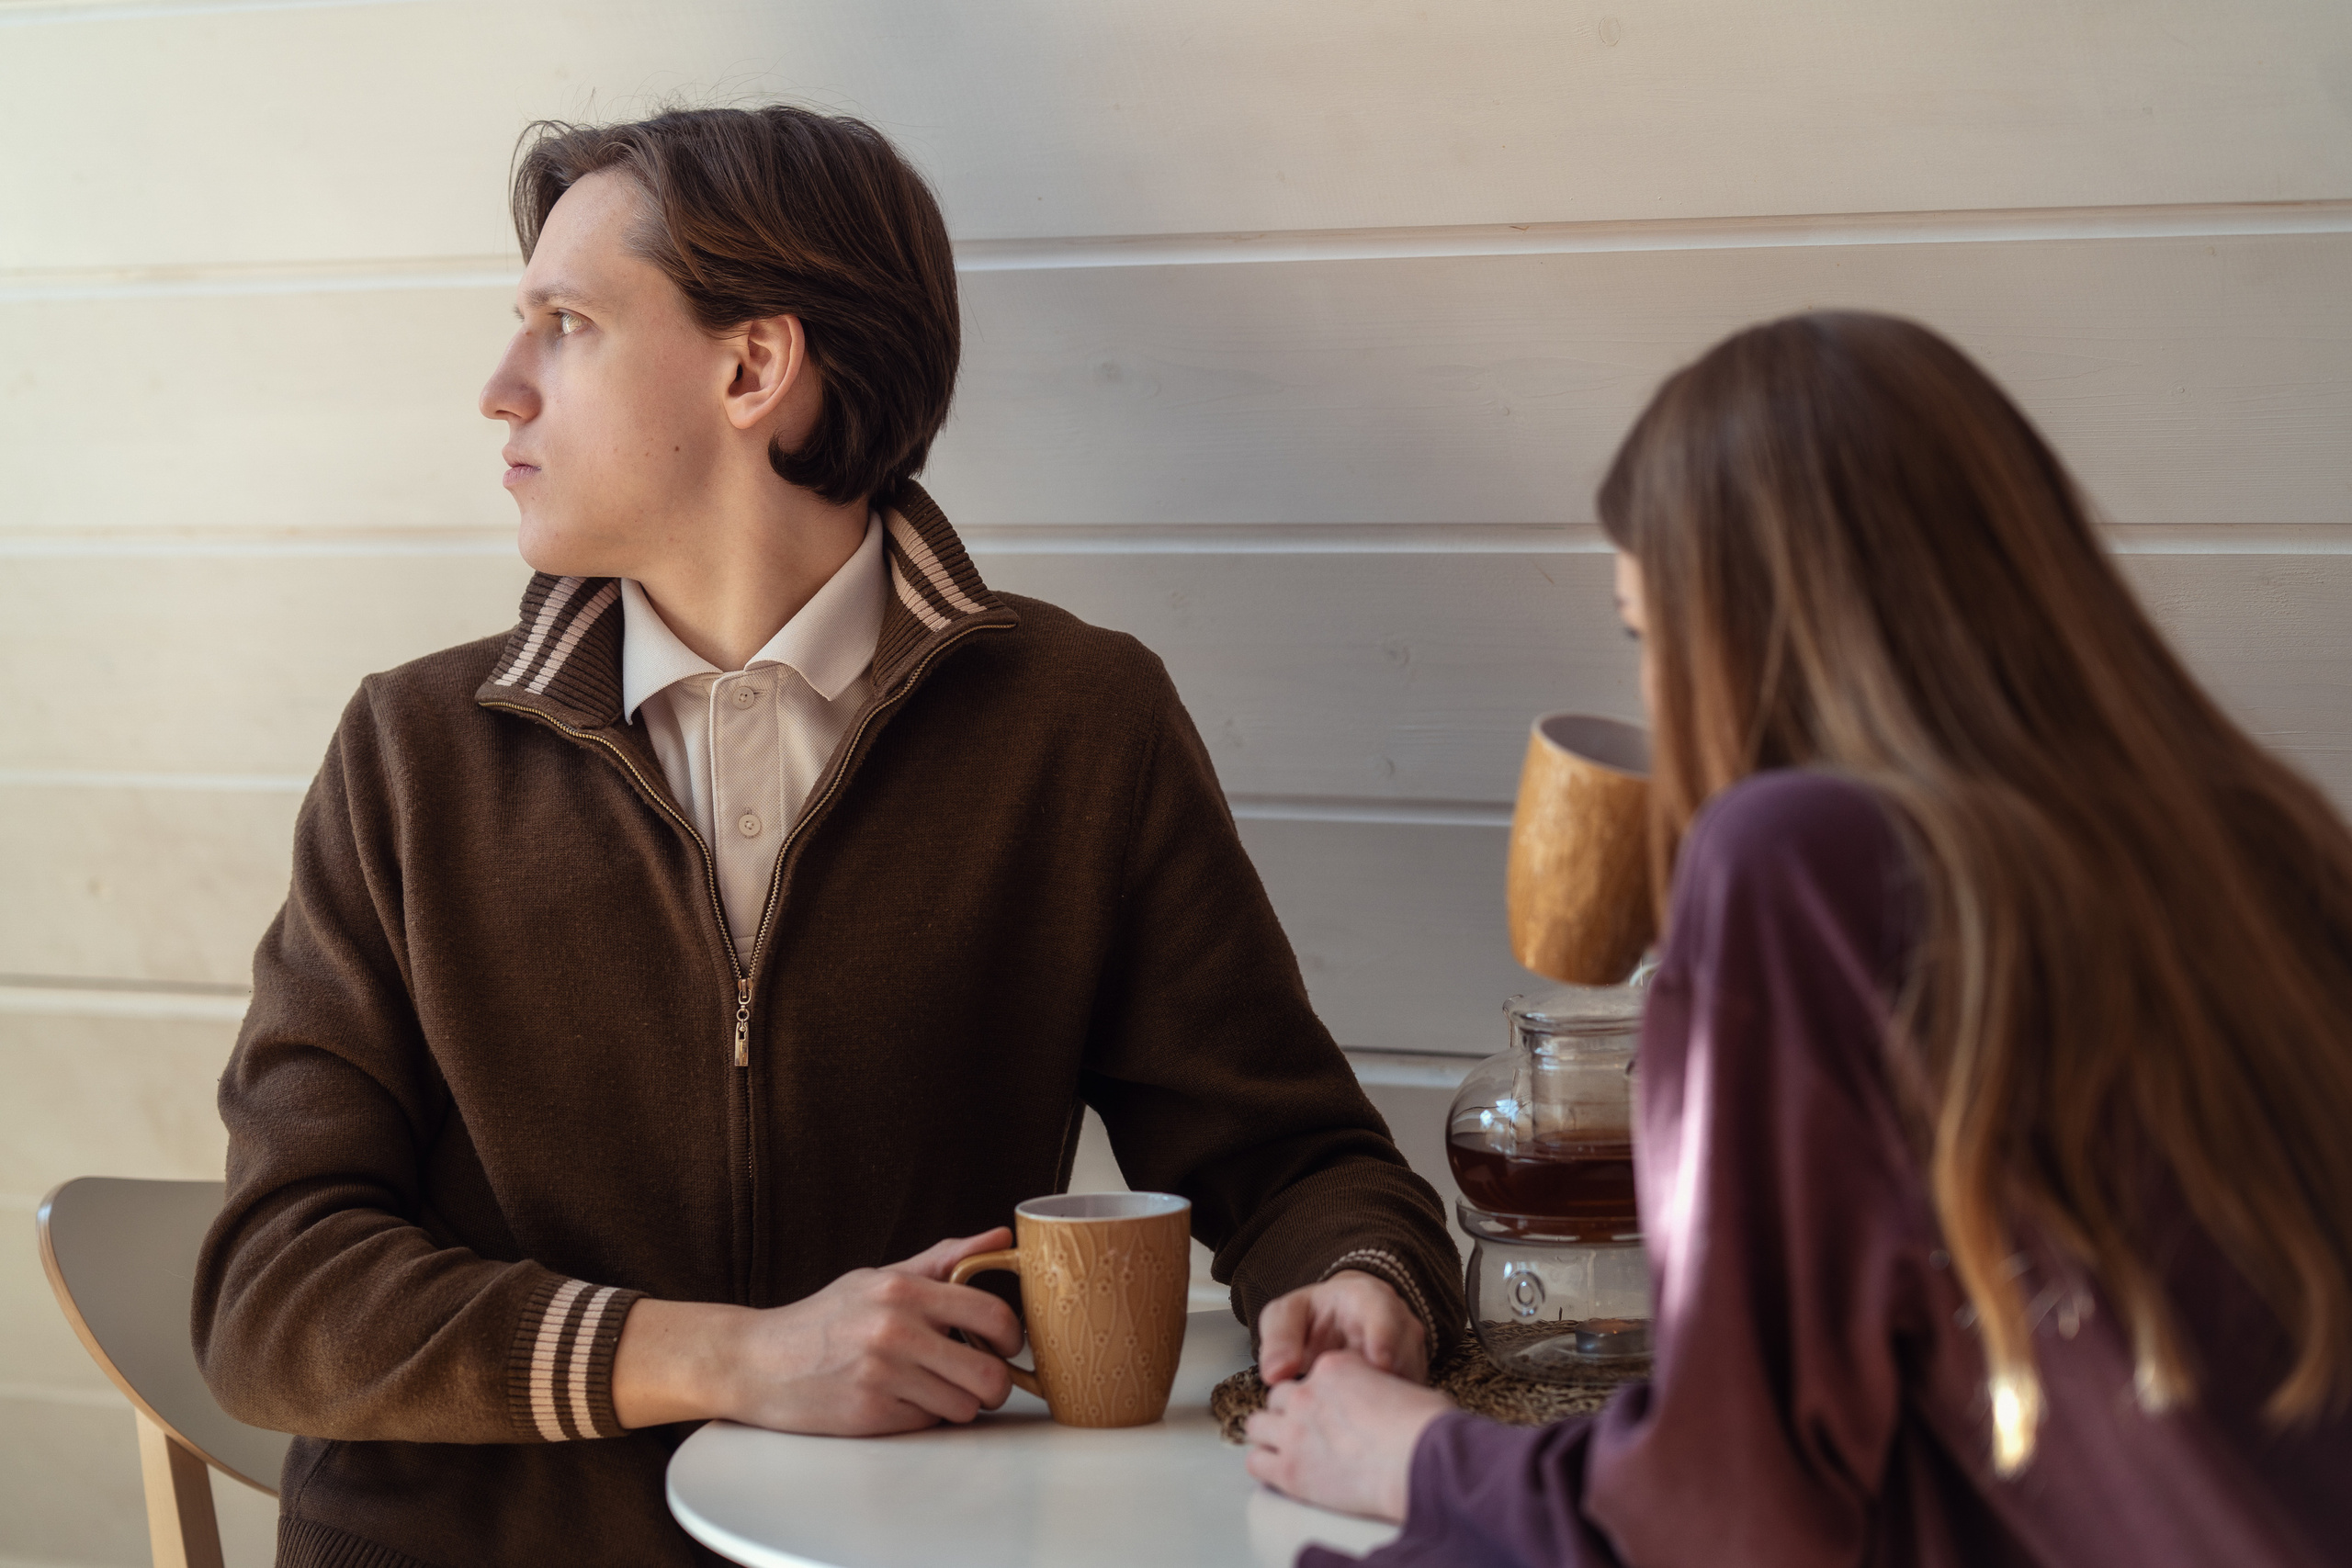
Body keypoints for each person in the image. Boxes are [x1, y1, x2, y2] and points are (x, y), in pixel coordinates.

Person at [193, 105, 1461, 1567]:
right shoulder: (413, 756)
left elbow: (1295, 1162)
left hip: (906, 1546)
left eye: (565, 325)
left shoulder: (1073, 724)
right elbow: (271, 1297)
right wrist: (733, 1357)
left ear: (754, 367)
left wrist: (1367, 1283)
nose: (500, 389)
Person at [1244, 311, 2352, 1567]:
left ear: (1749, 635)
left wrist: (1418, 1458)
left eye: (1647, 637)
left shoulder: (1796, 859)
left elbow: (1735, 1510)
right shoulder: (2271, 838)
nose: (1659, 691)